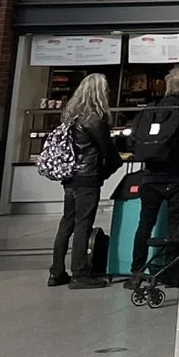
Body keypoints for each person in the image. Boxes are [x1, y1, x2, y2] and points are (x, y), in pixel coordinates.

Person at [123, 63, 179, 289]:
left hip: (150, 177)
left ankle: (136, 272)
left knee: (145, 224)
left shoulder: (150, 109)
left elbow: (131, 141)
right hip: (178, 178)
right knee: (175, 228)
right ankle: (171, 273)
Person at [49, 74, 119, 289]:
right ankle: (80, 273)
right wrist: (108, 170)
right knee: (83, 224)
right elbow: (108, 151)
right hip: (88, 178)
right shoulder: (94, 119)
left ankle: (57, 272)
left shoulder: (71, 116)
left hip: (70, 177)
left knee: (67, 222)